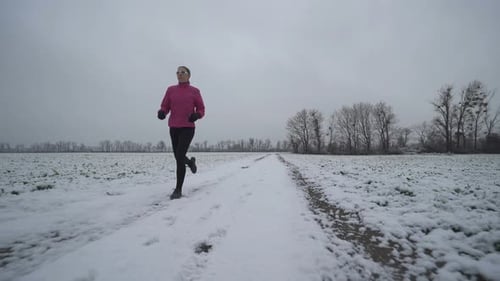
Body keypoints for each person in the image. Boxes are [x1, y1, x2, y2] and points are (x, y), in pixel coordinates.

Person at [157, 66, 205, 199]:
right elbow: (165, 106)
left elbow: (201, 109)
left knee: (179, 157)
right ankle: (190, 163)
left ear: (189, 75)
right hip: (173, 127)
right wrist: (162, 112)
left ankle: (178, 190)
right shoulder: (171, 90)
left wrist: (197, 115)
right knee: (177, 156)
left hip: (188, 127)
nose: (179, 74)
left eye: (183, 72)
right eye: (177, 72)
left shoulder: (194, 91)